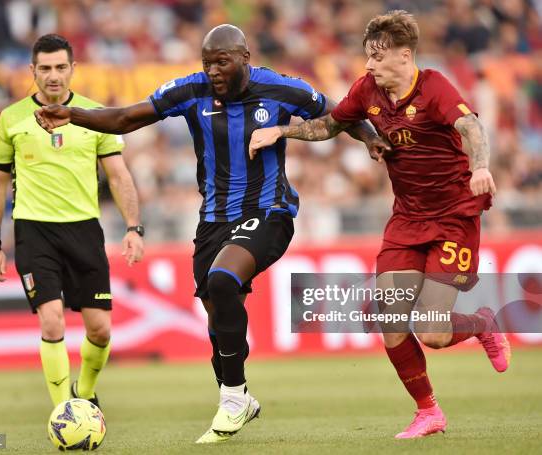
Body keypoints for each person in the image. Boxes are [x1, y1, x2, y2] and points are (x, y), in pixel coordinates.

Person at [34, 24, 389, 443]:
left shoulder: (278, 88)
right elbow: (128, 118)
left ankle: (234, 399)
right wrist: (72, 114)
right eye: (207, 63)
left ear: (244, 58)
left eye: (221, 62)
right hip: (212, 223)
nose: (213, 71)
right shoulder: (192, 90)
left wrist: (368, 137)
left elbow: (337, 111)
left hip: (269, 212)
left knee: (222, 281)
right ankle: (239, 395)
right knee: (219, 321)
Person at [249, 10, 510, 439]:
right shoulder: (367, 90)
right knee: (388, 316)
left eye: (377, 56)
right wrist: (282, 132)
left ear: (404, 56)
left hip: (453, 219)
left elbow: (471, 126)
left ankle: (481, 323)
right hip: (406, 219)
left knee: (432, 332)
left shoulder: (434, 87)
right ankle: (429, 411)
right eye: (367, 56)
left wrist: (481, 168)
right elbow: (335, 123)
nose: (368, 65)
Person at [0, 34, 144, 410]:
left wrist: (134, 227)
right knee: (51, 322)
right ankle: (62, 410)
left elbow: (119, 176)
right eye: (45, 68)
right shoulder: (12, 118)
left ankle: (84, 393)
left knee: (100, 330)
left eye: (60, 67)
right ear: (32, 71)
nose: (53, 76)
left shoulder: (94, 115)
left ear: (73, 69)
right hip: (34, 231)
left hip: (84, 230)